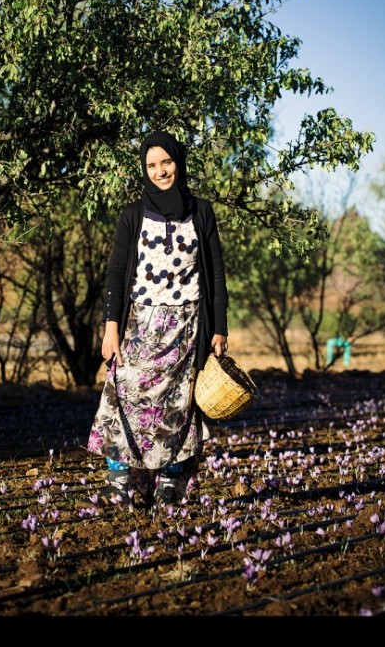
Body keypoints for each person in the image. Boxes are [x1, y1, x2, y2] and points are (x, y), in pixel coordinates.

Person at [87, 131, 228, 508]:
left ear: (178, 163)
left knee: (178, 406)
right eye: (151, 165)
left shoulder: (201, 211)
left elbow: (216, 273)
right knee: (123, 394)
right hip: (139, 325)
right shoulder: (132, 215)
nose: (160, 171)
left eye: (166, 162)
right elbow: (117, 273)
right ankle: (120, 483)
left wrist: (219, 327)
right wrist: (111, 328)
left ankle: (169, 482)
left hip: (187, 327)